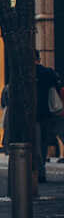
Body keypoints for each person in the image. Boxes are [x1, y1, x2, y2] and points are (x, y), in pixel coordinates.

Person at [35, 51, 61, 183]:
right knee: (43, 143)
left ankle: (38, 170)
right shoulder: (48, 72)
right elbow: (58, 85)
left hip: (32, 115)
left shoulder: (23, 73)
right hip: (47, 113)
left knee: (36, 144)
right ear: (39, 59)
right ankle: (41, 169)